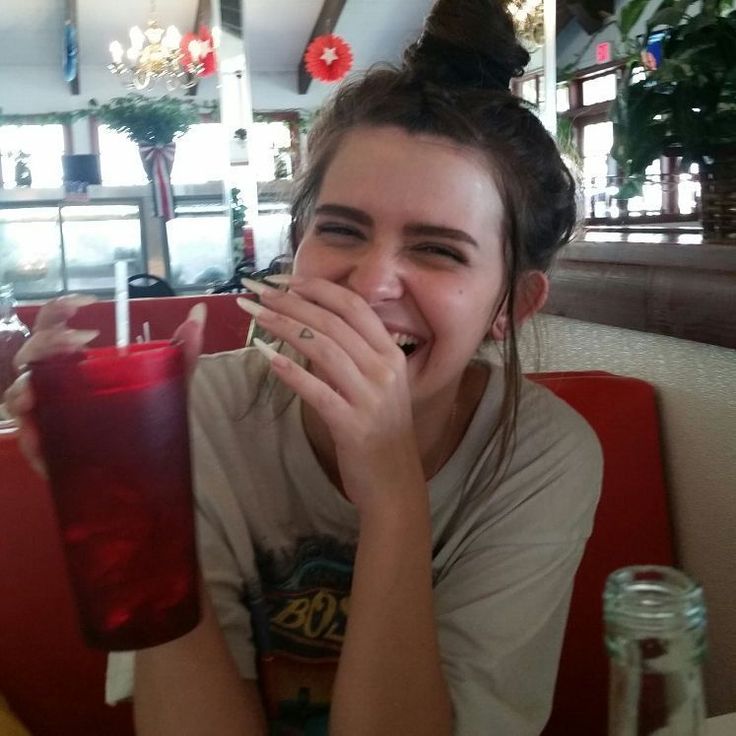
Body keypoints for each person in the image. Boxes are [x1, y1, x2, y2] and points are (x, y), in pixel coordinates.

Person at [5, 0, 603, 733]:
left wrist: (390, 495)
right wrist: (140, 502)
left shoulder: (542, 456)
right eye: (342, 231)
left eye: (439, 249)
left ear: (513, 302)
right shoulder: (200, 415)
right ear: (297, 244)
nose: (371, 281)